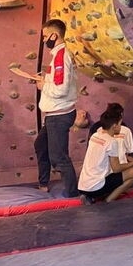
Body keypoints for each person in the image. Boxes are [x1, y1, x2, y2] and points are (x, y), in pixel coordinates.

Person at [34, 19, 79, 197]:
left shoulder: (61, 56)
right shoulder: (59, 56)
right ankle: (43, 183)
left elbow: (60, 90)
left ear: (54, 35)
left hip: (59, 115)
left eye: (45, 36)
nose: (44, 40)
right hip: (54, 115)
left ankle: (73, 195)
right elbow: (59, 82)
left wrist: (43, 85)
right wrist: (45, 80)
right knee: (41, 145)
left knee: (59, 157)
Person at [78, 109, 133, 204]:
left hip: (82, 186)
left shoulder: (95, 136)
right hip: (96, 187)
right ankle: (108, 201)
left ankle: (89, 196)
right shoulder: (112, 142)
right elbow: (117, 168)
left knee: (111, 175)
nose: (121, 127)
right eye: (120, 124)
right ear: (114, 126)